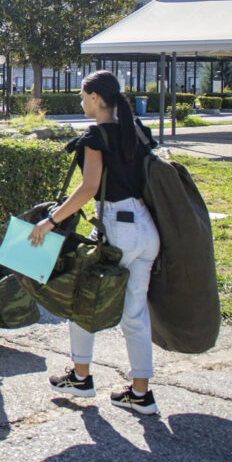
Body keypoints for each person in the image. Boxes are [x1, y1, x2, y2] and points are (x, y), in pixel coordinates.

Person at [29, 70, 160, 415]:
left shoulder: (96, 136)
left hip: (118, 229)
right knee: (135, 314)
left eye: (83, 95)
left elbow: (89, 187)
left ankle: (81, 376)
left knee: (80, 298)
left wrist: (50, 221)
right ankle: (141, 393)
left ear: (97, 98)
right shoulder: (136, 131)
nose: (80, 101)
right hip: (147, 229)